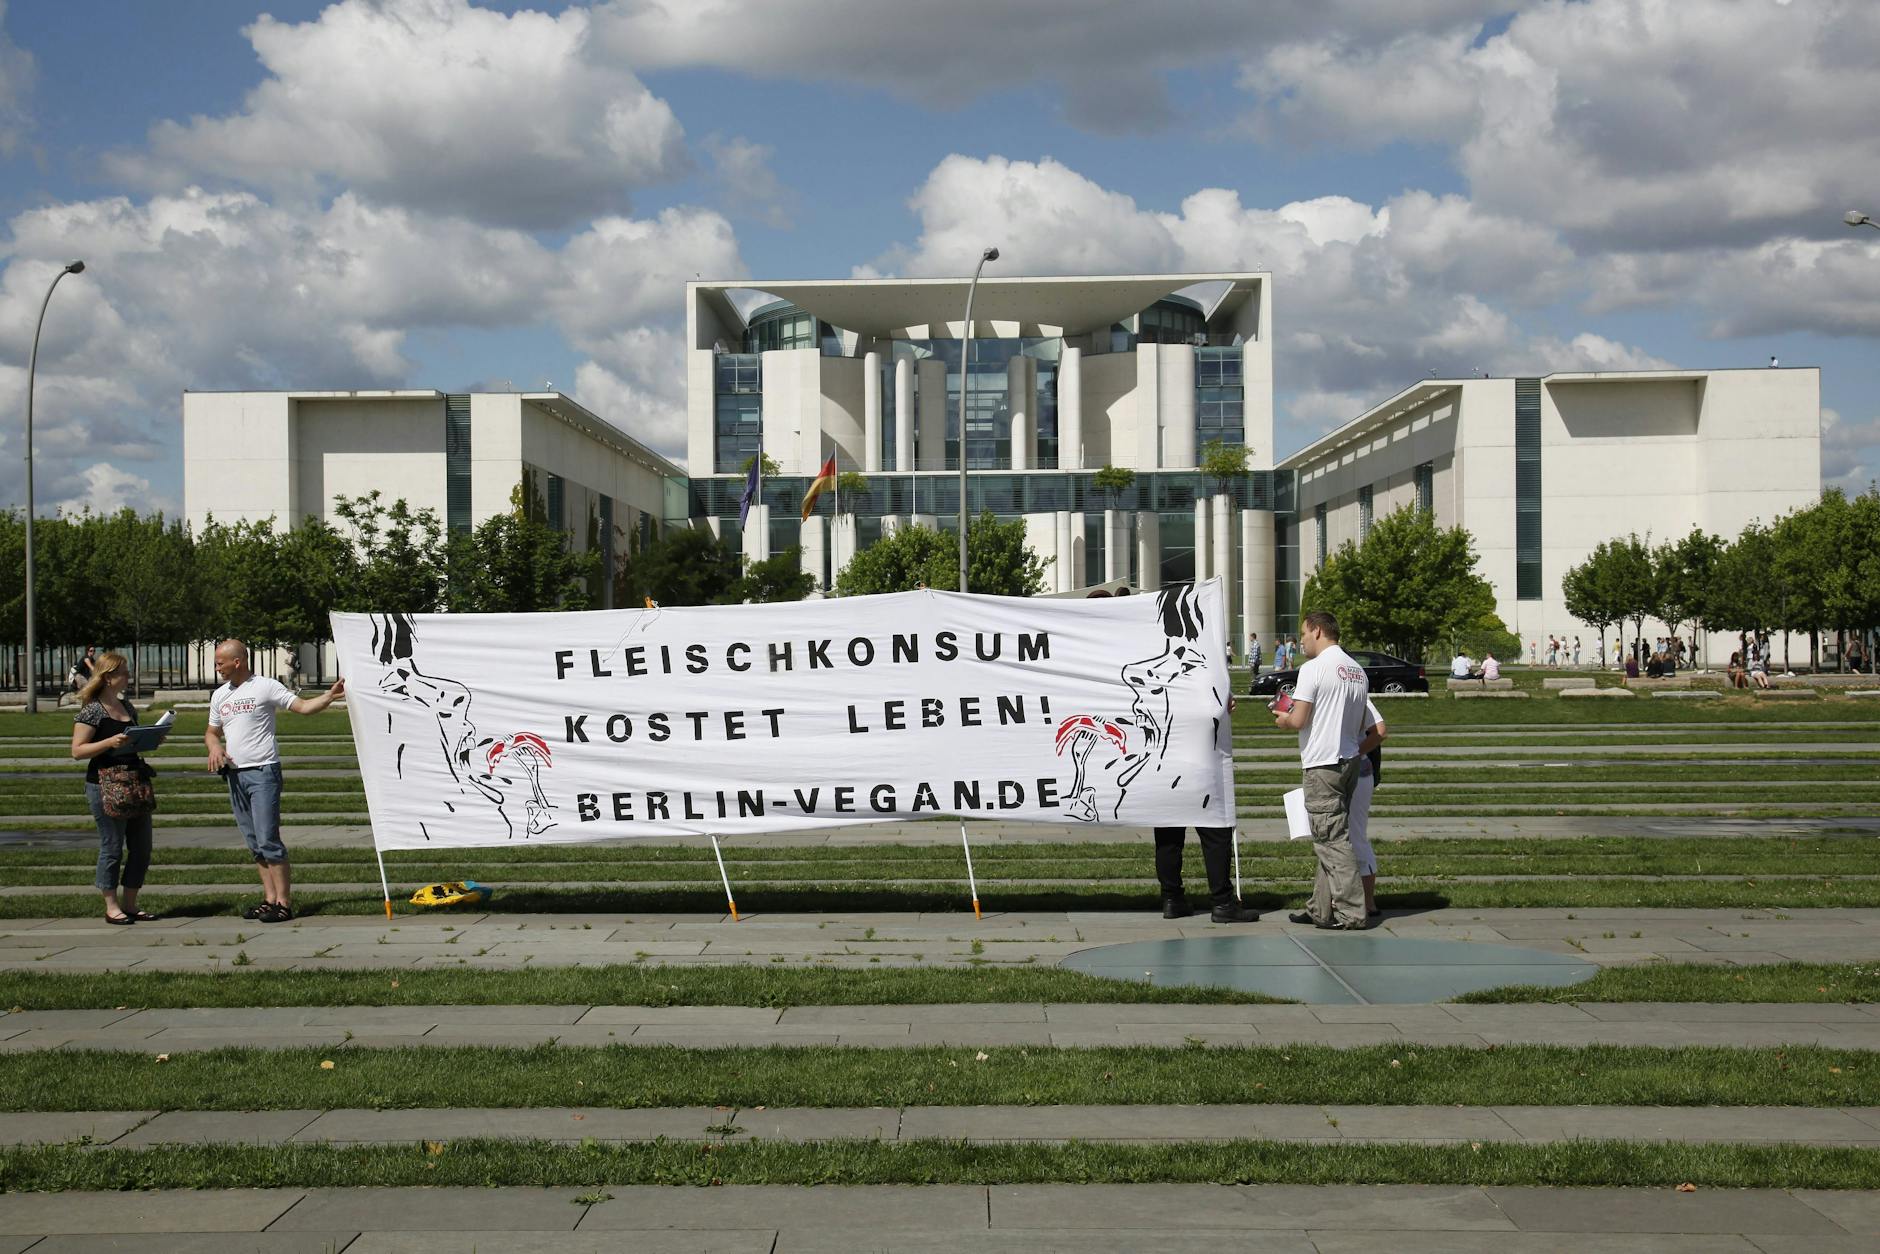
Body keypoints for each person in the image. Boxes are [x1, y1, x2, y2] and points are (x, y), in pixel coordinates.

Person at [205, 639, 345, 922]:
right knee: (254, 841)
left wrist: (329, 697)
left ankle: (284, 902)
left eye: (220, 662)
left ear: (237, 662)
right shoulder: (220, 695)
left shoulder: (265, 686)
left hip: (263, 772)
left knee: (268, 838)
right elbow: (211, 732)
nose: (217, 667)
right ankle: (269, 899)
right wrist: (214, 747)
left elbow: (303, 707)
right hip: (234, 774)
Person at [1273, 610, 1370, 930]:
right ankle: (1320, 909)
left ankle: (1352, 912)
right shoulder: (1357, 671)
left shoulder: (1313, 669)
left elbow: (1298, 719)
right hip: (1349, 759)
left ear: (1317, 631)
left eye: (1303, 633)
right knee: (1330, 838)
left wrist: (1282, 717)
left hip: (1322, 764)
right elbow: (1357, 724)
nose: (1300, 639)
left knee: (1332, 841)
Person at [1155, 696, 1258, 923]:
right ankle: (1222, 901)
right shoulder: (1202, 677)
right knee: (1215, 834)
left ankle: (1171, 899)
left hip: (1166, 764)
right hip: (1200, 762)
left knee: (1168, 837)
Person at [70, 651, 155, 925]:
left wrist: (149, 739)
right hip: (104, 784)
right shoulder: (92, 710)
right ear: (108, 678)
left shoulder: (127, 707)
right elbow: (77, 751)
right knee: (112, 846)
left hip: (133, 781)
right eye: (124, 673)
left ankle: (130, 904)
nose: (128, 677)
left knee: (142, 847)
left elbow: (130, 741)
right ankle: (111, 906)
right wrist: (109, 743)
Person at [1350, 698, 1387, 918]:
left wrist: (1353, 753)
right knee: (1338, 838)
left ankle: (1366, 901)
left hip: (1354, 768)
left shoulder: (1356, 691)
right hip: (1340, 768)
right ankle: (1329, 901)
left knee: (1355, 836)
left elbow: (1380, 731)